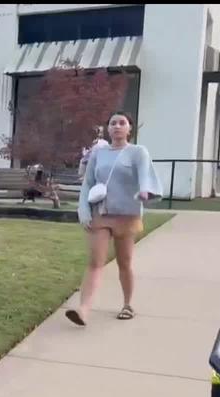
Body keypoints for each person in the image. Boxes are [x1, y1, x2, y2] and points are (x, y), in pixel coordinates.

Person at [67, 111, 163, 326]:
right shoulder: (98, 153)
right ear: (107, 128)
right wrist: (83, 210)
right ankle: (83, 310)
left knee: (124, 263)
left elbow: (145, 174)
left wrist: (145, 191)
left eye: (122, 123)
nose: (117, 126)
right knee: (95, 263)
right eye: (113, 123)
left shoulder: (138, 152)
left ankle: (127, 305)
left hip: (127, 216)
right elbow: (88, 183)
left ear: (130, 128)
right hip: (101, 215)